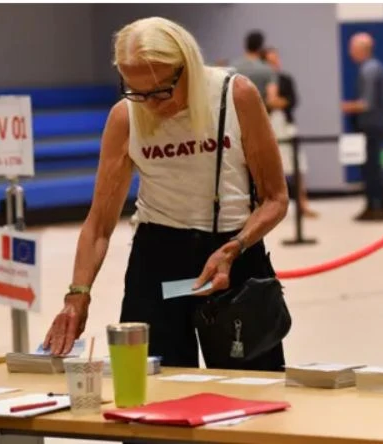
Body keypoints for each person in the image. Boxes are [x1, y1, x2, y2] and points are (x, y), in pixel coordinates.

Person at [43, 17, 289, 371]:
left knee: (254, 393)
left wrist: (236, 246)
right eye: (136, 92)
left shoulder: (236, 96)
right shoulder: (125, 118)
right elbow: (98, 225)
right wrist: (77, 296)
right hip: (158, 258)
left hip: (233, 255)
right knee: (153, 393)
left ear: (186, 66)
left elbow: (275, 198)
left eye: (160, 91)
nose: (151, 105)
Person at [342, 32, 383, 221]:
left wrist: (344, 106)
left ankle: (377, 206)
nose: (350, 52)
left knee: (372, 168)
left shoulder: (368, 70)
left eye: (352, 48)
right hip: (376, 124)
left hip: (371, 126)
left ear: (361, 49)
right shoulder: (374, 68)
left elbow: (366, 103)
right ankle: (373, 205)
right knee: (371, 167)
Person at [263, 47, 317, 218]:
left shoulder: (286, 79)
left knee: (298, 165)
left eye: (276, 60)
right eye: (270, 61)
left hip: (286, 125)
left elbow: (292, 100)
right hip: (268, 126)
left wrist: (277, 102)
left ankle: (303, 203)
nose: (274, 64)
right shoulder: (261, 80)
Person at [231, 30, 278, 104]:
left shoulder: (233, 67)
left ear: (245, 45)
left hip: (236, 111)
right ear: (261, 47)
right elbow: (271, 99)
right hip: (257, 111)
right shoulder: (267, 70)